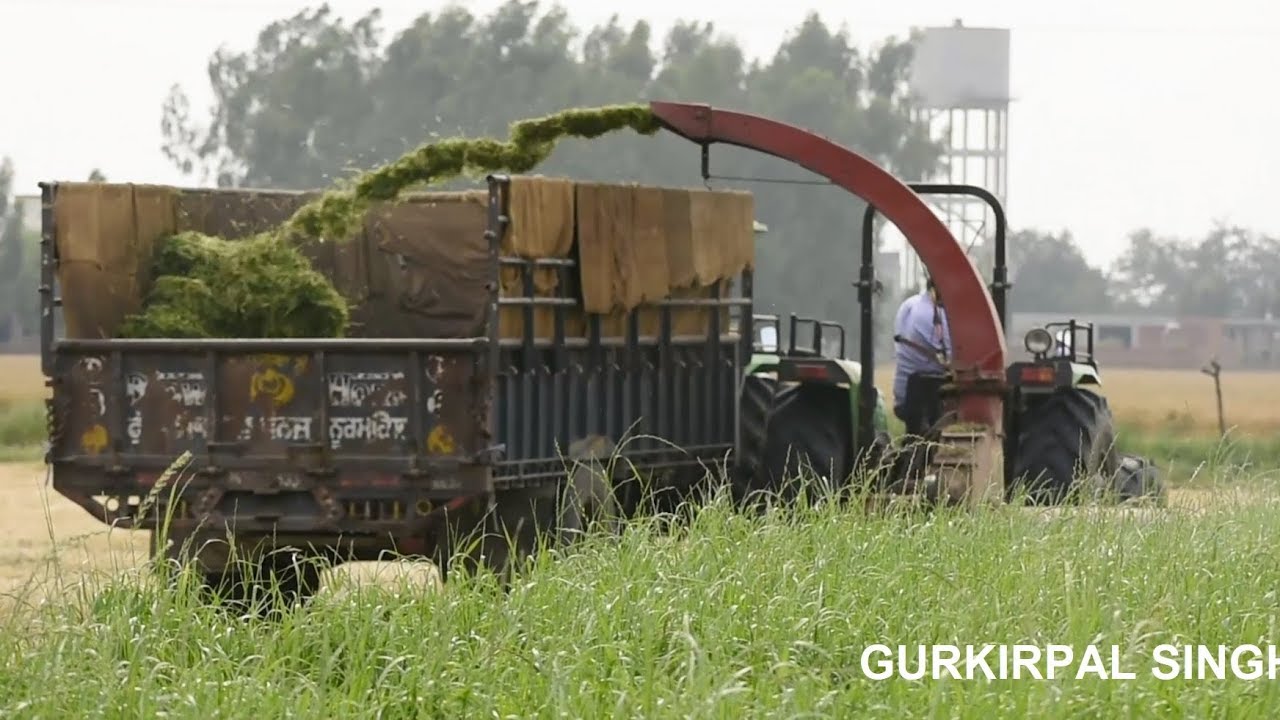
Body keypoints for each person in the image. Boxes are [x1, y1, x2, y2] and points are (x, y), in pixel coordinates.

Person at [892, 277, 953, 437]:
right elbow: (954, 357)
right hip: (933, 397)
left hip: (903, 396)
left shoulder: (908, 305)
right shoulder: (939, 315)